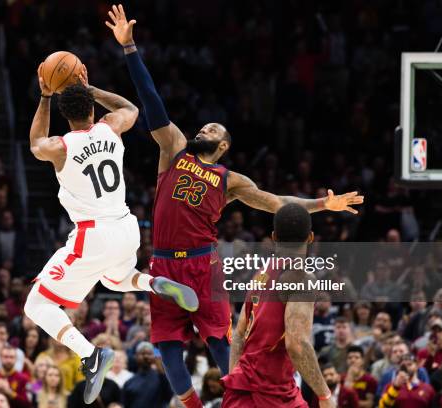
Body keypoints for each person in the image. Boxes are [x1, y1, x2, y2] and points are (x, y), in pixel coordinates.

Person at [105, 6, 363, 407]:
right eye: (202, 127)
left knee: (222, 340)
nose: (201, 130)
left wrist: (322, 203)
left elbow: (278, 202)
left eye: (211, 129)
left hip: (203, 263)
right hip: (163, 262)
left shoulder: (230, 180)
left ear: (223, 145)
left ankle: (237, 400)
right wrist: (130, 49)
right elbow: (152, 102)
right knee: (167, 347)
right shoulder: (173, 150)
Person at [23, 61, 199, 405]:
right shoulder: (110, 128)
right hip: (126, 226)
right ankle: (152, 282)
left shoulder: (61, 147)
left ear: (66, 114)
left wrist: (44, 96)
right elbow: (130, 108)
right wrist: (91, 89)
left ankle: (91, 355)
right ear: (91, 107)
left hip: (93, 236)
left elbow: (35, 143)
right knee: (114, 280)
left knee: (37, 304)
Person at [221, 204, 335, 407]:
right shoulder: (301, 278)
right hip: (273, 393)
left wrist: (236, 380)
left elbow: (238, 334)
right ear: (310, 237)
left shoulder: (262, 273)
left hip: (240, 391)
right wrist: (325, 395)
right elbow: (297, 345)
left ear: (274, 237)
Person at [121, 342, 173, 408]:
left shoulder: (162, 378)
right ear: (136, 356)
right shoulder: (129, 382)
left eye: (149, 354)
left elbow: (169, 396)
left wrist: (159, 366)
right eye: (142, 354)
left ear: (154, 357)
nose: (146, 356)